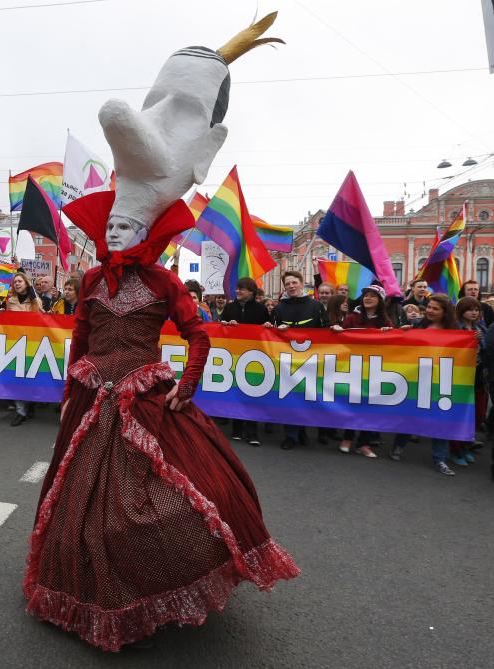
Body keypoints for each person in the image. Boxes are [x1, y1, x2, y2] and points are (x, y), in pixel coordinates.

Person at [25, 29, 300, 644]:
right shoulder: (92, 280)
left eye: (128, 223)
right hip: (94, 400)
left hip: (148, 399)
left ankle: (154, 582)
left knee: (172, 499)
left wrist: (186, 389)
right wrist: (72, 386)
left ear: (143, 228)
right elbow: (79, 339)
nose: (119, 231)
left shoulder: (164, 283)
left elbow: (199, 337)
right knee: (81, 505)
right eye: (112, 224)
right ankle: (92, 589)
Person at [392, 295, 458, 474]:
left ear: (445, 312)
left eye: (435, 309)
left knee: (440, 417)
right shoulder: (419, 324)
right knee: (411, 412)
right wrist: (401, 331)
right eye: (429, 307)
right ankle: (398, 446)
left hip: (442, 379)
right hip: (418, 377)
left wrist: (477, 338)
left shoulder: (455, 329)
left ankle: (440, 459)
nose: (429, 310)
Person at [266, 270, 327, 449]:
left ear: (301, 283)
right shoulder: (279, 308)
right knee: (290, 398)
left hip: (310, 360)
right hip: (287, 361)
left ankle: (301, 430)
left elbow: (326, 329)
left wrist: (335, 328)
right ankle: (291, 435)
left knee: (306, 398)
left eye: (294, 282)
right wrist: (270, 327)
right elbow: (270, 331)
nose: (291, 286)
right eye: (287, 284)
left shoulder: (316, 306)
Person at [332, 285, 394, 457]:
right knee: (352, 403)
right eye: (366, 295)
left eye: (373, 296)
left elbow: (393, 343)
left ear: (380, 301)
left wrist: (391, 333)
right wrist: (338, 330)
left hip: (375, 368)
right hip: (354, 366)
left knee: (370, 405)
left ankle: (364, 443)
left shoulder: (385, 321)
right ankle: (347, 438)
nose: (368, 298)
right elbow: (342, 340)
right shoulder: (352, 318)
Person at [220, 277, 270, 446]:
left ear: (251, 291)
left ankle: (252, 431)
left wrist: (268, 326)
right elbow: (219, 327)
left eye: (242, 288)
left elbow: (267, 331)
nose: (238, 291)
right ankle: (236, 429)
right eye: (237, 288)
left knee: (253, 393)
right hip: (234, 356)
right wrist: (225, 324)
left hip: (255, 356)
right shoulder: (229, 307)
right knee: (236, 392)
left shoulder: (261, 309)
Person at [449, 296, 486, 465]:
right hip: (459, 378)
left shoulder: (480, 327)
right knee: (459, 416)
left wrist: (481, 340)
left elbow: (486, 350)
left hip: (478, 377)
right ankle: (455, 451)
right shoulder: (454, 328)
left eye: (477, 309)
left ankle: (465, 446)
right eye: (470, 309)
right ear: (462, 310)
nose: (474, 312)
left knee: (477, 415)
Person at [5, 272, 42, 426]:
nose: (17, 284)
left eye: (20, 281)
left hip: (32, 343)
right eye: (15, 282)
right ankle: (20, 411)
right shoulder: (10, 301)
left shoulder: (35, 300)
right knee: (17, 377)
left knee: (31, 377)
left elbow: (38, 315)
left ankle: (31, 404)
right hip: (15, 342)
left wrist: (33, 298)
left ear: (26, 283)